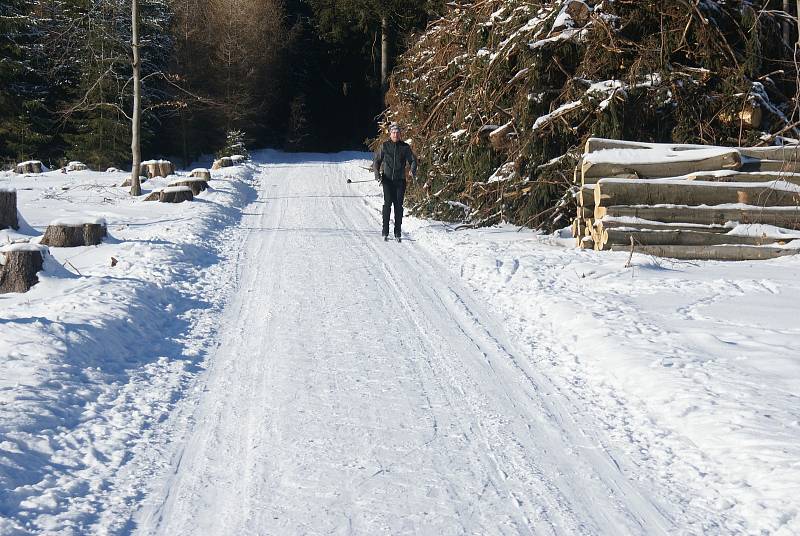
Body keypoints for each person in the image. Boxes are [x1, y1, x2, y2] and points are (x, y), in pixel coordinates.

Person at [374, 122, 417, 242]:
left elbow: (413, 160)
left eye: (397, 132)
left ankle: (398, 232)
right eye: (393, 132)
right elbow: (377, 161)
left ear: (400, 134)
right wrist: (377, 174)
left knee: (398, 206)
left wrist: (412, 170)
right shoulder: (385, 146)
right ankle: (385, 230)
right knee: (387, 204)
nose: (395, 134)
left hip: (400, 181)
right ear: (390, 134)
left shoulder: (405, 147)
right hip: (387, 180)